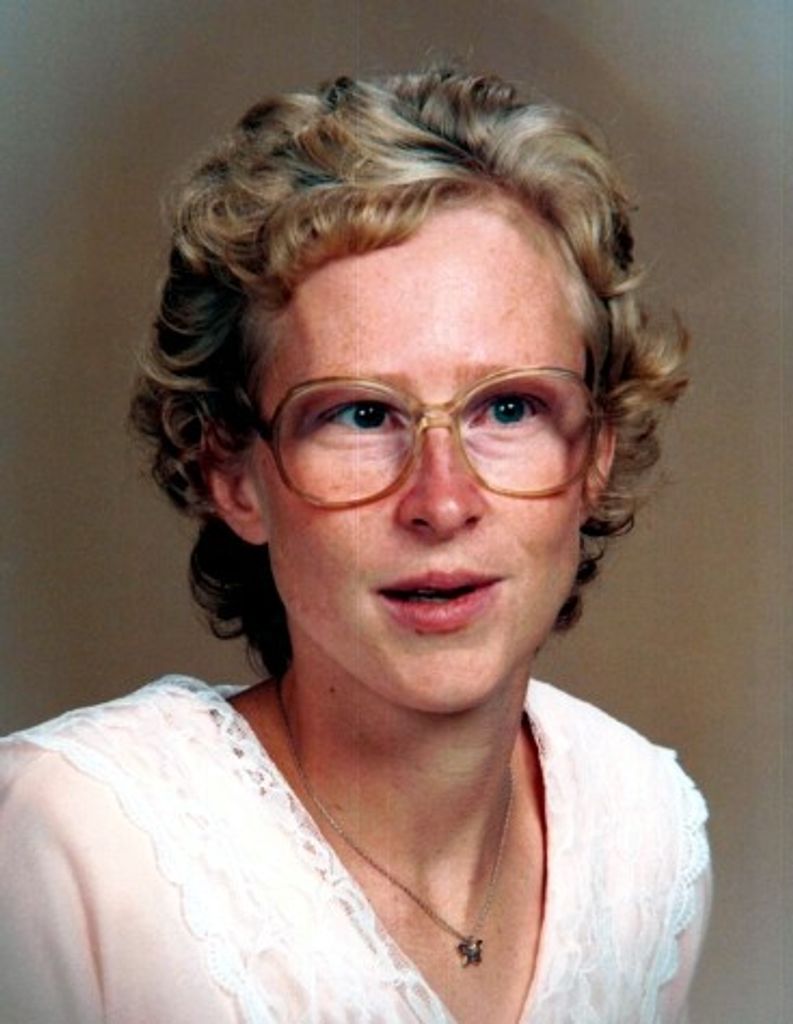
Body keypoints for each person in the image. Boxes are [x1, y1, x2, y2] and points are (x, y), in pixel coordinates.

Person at [0, 68, 710, 1023]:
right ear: (232, 473)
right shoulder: (69, 845)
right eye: (360, 415)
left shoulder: (647, 836)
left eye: (508, 408)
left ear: (594, 454)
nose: (442, 501)